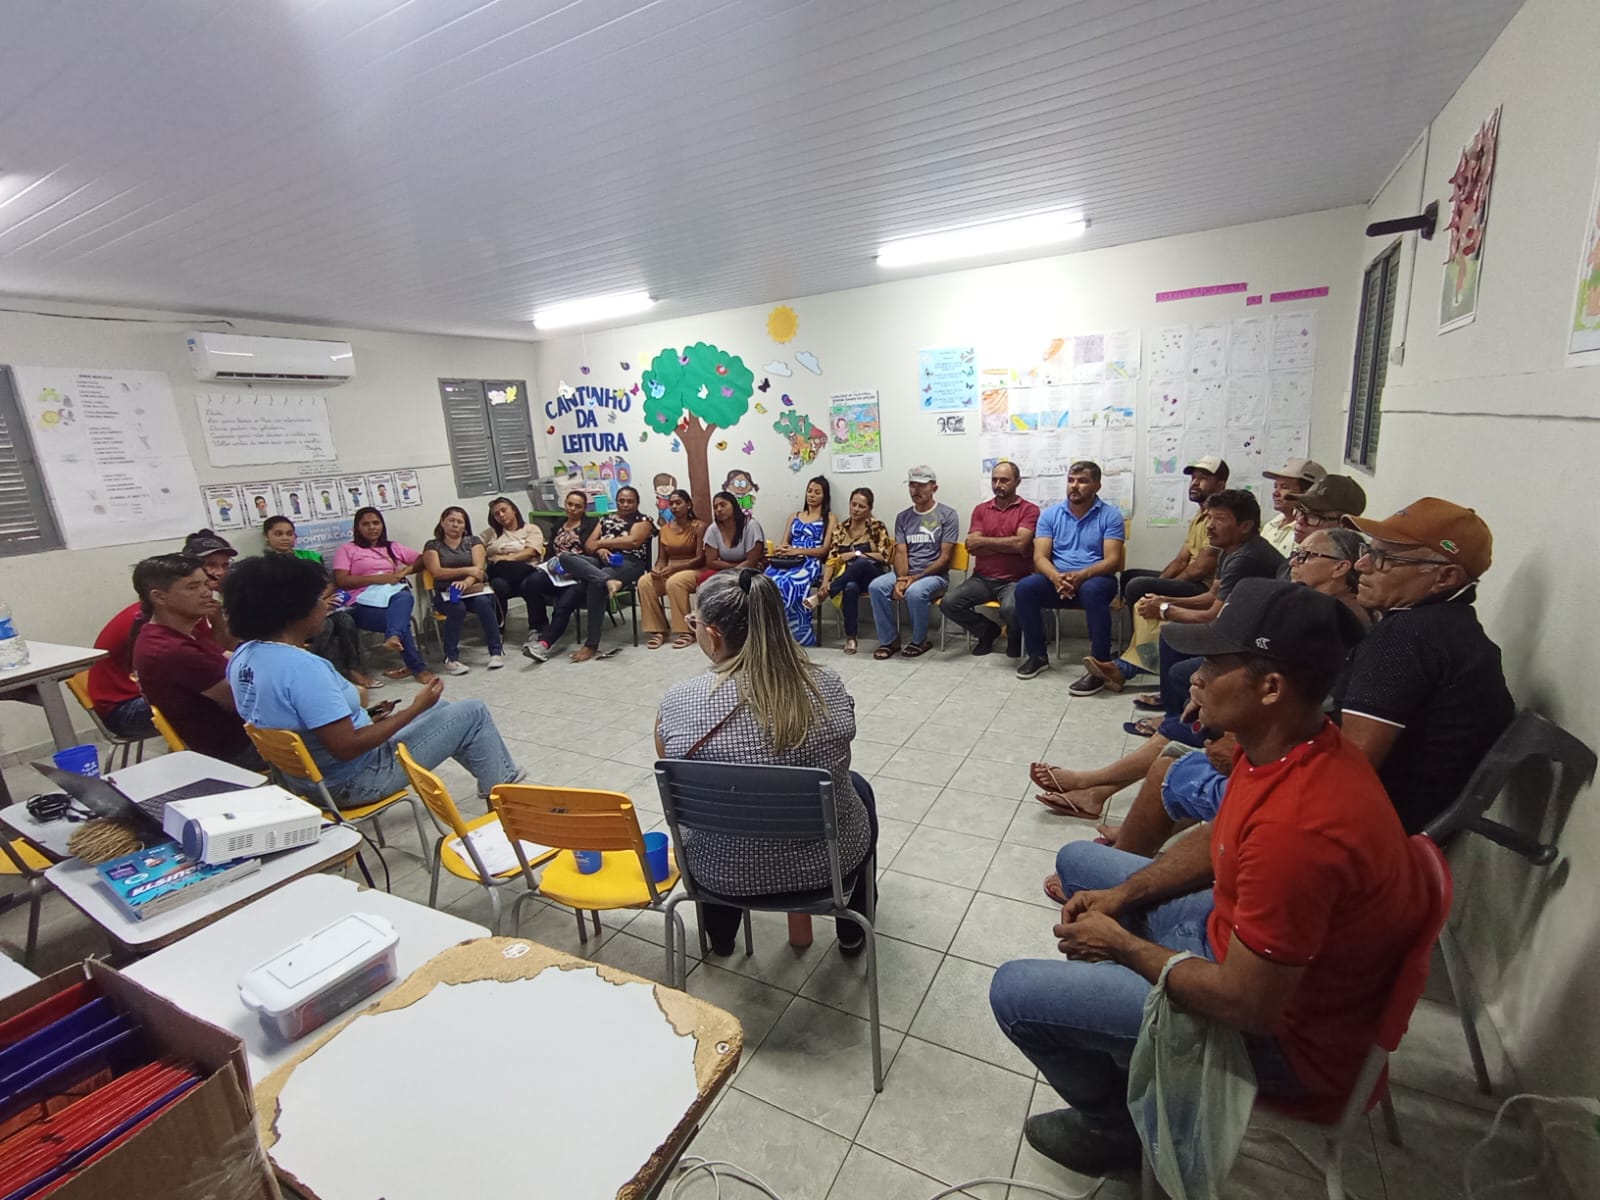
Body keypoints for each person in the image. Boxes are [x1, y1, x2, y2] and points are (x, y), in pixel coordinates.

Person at [990, 579, 1426, 1178]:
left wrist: (1122, 945)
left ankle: (1117, 1131)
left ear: (1271, 688)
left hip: (1277, 1038)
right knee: (1079, 863)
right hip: (1235, 941)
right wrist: (1123, 894)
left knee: (1014, 993)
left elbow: (1248, 1005)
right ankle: (1125, 1039)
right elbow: (1222, 840)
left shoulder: (1300, 829)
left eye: (1215, 665)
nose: (1194, 677)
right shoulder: (1285, 744)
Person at [1091, 527, 1375, 855]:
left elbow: (1309, 705)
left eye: (1307, 556)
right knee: (1184, 724)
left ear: (1342, 567)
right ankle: (1100, 794)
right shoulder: (1307, 607)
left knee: (1171, 766)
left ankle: (1098, 795)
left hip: (1277, 756)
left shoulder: (1335, 628)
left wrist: (1236, 739)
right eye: (1296, 553)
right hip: (1271, 742)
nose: (1294, 561)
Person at [655, 570, 877, 955]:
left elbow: (668, 759)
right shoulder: (826, 685)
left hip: (721, 871)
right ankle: (852, 931)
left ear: (713, 635)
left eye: (695, 623)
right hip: (827, 870)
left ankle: (721, 938)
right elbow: (842, 750)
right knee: (858, 787)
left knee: (720, 808)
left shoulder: (679, 701)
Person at [223, 554, 523, 806]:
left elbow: (301, 720)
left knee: (444, 709)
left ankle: (498, 783)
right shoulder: (303, 669)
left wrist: (366, 716)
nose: (326, 605)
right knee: (472, 711)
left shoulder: (244, 656)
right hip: (354, 779)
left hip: (304, 777)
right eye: (318, 599)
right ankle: (508, 799)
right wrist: (414, 709)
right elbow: (346, 747)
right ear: (293, 611)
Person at [1340, 497, 1516, 832]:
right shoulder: (1455, 626)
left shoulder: (1408, 635)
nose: (1361, 565)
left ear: (1445, 577)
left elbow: (1351, 764)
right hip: (1415, 820)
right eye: (1368, 550)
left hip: (1378, 828)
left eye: (1382, 557)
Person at [1081, 488, 1281, 697]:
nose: (1210, 525)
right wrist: (1165, 599)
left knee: (1170, 630)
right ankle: (1124, 669)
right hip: (1235, 621)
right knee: (1148, 601)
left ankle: (1159, 693)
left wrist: (1165, 609)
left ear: (1246, 526)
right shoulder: (1230, 549)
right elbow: (1213, 595)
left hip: (1253, 637)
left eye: (1220, 519)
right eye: (1210, 518)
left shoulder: (1245, 559)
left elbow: (1212, 616)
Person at [129, 555, 261, 767]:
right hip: (235, 750)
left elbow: (227, 657)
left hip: (234, 738)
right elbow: (248, 701)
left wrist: (219, 623)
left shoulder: (175, 632)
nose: (206, 592)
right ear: (159, 597)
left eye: (206, 584)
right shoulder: (171, 650)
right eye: (192, 587)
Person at [1012, 461, 1125, 684]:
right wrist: (1056, 578)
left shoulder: (1110, 515)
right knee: (1025, 588)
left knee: (1093, 590)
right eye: (1071, 480)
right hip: (1058, 579)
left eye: (1082, 481)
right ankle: (1037, 656)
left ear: (1097, 486)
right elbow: (1040, 557)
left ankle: (1100, 665)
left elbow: (1112, 561)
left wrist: (1081, 576)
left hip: (1096, 579)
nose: (1074, 486)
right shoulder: (1050, 515)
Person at [263, 516, 378, 690]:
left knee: (345, 620)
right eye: (278, 534)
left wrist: (320, 601)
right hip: (292, 614)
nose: (285, 538)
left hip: (320, 606)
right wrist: (312, 604)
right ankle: (327, 677)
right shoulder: (264, 566)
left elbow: (330, 584)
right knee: (325, 626)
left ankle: (355, 670)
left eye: (289, 533)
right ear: (267, 536)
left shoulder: (310, 556)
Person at [940, 461, 1040, 658]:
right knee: (949, 603)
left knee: (1011, 608)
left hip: (1016, 580)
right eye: (994, 480)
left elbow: (1021, 544)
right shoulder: (981, 510)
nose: (998, 485)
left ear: (1017, 482)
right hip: (982, 579)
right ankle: (987, 631)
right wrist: (1008, 545)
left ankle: (1014, 636)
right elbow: (972, 546)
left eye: (1004, 480)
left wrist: (986, 542)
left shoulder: (1029, 510)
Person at [331, 507, 433, 684]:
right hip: (361, 603)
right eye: (366, 524)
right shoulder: (347, 549)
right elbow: (341, 580)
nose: (372, 527)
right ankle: (417, 668)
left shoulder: (391, 547)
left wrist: (405, 571)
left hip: (391, 597)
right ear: (357, 528)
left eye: (376, 523)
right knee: (400, 622)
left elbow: (423, 559)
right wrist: (377, 579)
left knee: (404, 597)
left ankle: (395, 639)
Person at [868, 466, 959, 659]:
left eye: (922, 485)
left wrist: (914, 578)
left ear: (934, 488)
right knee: (876, 586)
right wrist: (902, 578)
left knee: (915, 592)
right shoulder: (903, 517)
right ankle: (889, 640)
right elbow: (901, 552)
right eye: (912, 485)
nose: (916, 490)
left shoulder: (948, 515)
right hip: (906, 573)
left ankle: (920, 640)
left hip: (934, 576)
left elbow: (945, 558)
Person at [557, 485, 655, 663]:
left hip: (630, 562)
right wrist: (600, 549)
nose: (625, 504)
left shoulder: (644, 520)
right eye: (621, 501)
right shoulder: (605, 519)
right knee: (565, 558)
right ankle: (607, 580)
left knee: (596, 584)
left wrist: (602, 543)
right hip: (602, 561)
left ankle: (591, 645)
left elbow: (633, 541)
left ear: (637, 503)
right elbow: (589, 545)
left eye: (630, 501)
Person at [1119, 457, 1231, 612]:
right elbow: (1181, 560)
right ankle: (1141, 625)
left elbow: (1201, 568)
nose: (1195, 483)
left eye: (1203, 478)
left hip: (1204, 587)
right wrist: (1161, 582)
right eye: (1193, 478)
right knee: (1129, 576)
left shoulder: (1219, 519)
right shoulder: (1199, 516)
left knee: (1136, 586)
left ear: (1220, 484)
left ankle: (1151, 623)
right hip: (1190, 579)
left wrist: (1165, 588)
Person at [422, 506, 505, 675]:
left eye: (460, 522)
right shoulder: (433, 545)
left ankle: (496, 652)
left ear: (465, 525)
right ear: (442, 522)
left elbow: (479, 571)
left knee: (483, 603)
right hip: (445, 593)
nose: (455, 525)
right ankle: (451, 658)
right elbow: (437, 572)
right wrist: (467, 570)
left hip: (473, 590)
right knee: (457, 607)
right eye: (451, 520)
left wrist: (466, 582)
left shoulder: (473, 542)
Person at [813, 487, 892, 656]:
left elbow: (885, 556)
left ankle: (832, 589)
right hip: (849, 576)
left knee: (861, 563)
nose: (856, 509)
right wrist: (825, 583)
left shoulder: (876, 527)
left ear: (870, 509)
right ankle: (851, 637)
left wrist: (857, 554)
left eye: (861, 506)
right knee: (850, 587)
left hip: (873, 575)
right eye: (853, 504)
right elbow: (832, 559)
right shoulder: (840, 529)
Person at [522, 490, 599, 662]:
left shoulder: (591, 524)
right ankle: (538, 628)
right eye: (569, 504)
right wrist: (546, 565)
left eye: (577, 506)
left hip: (578, 575)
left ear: (584, 508)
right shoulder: (559, 523)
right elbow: (551, 549)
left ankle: (544, 644)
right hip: (555, 572)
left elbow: (592, 553)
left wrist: (574, 567)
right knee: (531, 582)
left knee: (565, 602)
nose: (572, 509)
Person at [764, 476, 837, 647]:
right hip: (789, 559)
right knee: (767, 581)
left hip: (810, 562)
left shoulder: (829, 517)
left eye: (817, 492)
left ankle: (796, 634)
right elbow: (785, 542)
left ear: (825, 496)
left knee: (789, 583)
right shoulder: (794, 516)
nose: (812, 495)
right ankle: (771, 631)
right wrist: (782, 550)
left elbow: (824, 550)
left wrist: (798, 551)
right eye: (809, 491)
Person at [638, 489, 708, 650]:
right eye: (671, 504)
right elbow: (662, 558)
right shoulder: (664, 529)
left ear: (688, 505)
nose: (674, 507)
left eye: (678, 503)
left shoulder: (699, 526)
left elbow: (700, 558)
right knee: (645, 582)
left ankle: (686, 631)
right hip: (670, 569)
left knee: (675, 582)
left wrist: (676, 567)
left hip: (694, 569)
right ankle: (658, 630)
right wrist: (657, 569)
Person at [85, 601, 155, 738]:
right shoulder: (150, 621)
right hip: (122, 709)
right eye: (192, 589)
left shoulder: (162, 610)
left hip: (134, 695)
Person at [481, 496, 547, 627]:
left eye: (503, 510)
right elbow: (477, 548)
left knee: (530, 582)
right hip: (503, 576)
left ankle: (537, 628)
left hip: (526, 573)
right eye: (496, 514)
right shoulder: (490, 533)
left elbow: (531, 552)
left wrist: (504, 558)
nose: (501, 515)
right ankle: (498, 628)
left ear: (514, 510)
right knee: (498, 584)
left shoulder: (530, 529)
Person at [181, 529, 239, 650]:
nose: (220, 572)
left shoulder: (222, 596)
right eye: (211, 565)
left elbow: (229, 648)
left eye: (225, 565)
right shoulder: (181, 602)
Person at [1260, 458, 1325, 556]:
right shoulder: (1271, 525)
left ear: (1307, 493)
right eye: (1275, 486)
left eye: (1284, 487)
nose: (1275, 493)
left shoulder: (1306, 531)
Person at [702, 489, 766, 579]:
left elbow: (751, 562)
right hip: (725, 571)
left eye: (723, 505)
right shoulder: (713, 529)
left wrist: (730, 575)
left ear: (734, 506)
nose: (719, 509)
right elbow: (711, 562)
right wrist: (733, 568)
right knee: (705, 577)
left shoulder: (751, 525)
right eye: (715, 507)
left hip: (748, 570)